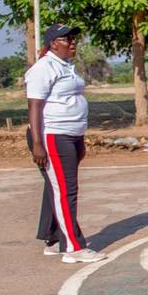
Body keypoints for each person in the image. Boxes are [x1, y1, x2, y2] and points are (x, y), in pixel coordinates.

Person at [24, 23, 105, 264]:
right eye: (66, 39)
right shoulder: (44, 68)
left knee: (56, 187)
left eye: (73, 38)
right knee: (65, 191)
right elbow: (34, 107)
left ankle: (53, 238)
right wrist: (38, 143)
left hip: (71, 134)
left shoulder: (66, 67)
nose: (72, 42)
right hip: (52, 136)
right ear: (52, 44)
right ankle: (73, 247)